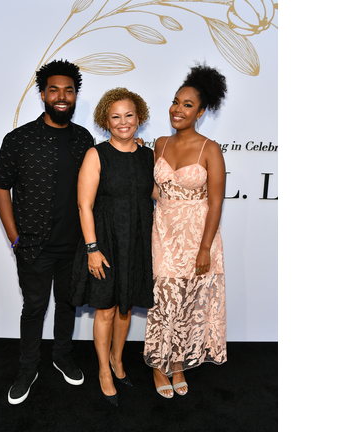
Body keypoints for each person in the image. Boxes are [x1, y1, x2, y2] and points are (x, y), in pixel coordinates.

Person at [0, 59, 95, 405]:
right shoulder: (19, 139)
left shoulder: (84, 139)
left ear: (75, 95)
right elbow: (1, 188)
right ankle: (28, 367)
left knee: (67, 305)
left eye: (68, 90)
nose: (62, 96)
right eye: (54, 90)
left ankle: (62, 356)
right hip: (33, 246)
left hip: (76, 245)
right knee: (34, 309)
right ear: (42, 94)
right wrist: (14, 237)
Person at [143, 62, 228, 398]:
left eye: (187, 105)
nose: (177, 109)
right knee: (162, 301)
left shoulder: (211, 149)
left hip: (197, 236)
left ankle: (177, 364)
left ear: (201, 112)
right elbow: (155, 191)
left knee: (188, 302)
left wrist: (205, 248)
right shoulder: (160, 143)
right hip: (163, 230)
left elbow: (216, 203)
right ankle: (156, 366)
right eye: (175, 102)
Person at [69, 88, 155, 406]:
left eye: (129, 115)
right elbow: (84, 205)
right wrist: (92, 248)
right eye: (115, 116)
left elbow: (155, 195)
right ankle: (104, 370)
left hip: (137, 240)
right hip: (104, 241)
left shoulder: (148, 156)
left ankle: (118, 360)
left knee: (126, 306)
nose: (123, 122)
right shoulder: (96, 154)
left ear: (139, 117)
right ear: (106, 120)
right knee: (105, 309)